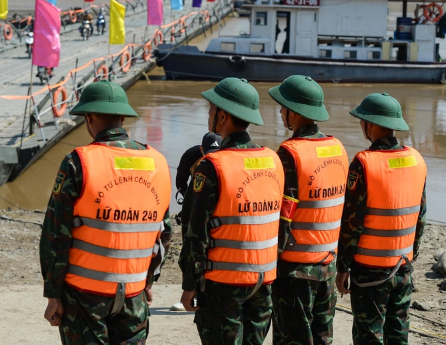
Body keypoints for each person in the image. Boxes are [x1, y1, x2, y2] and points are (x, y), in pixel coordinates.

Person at [40, 80, 173, 344]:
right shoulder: (157, 162)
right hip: (134, 295)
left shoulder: (79, 162)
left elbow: (56, 234)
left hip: (84, 296)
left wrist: (53, 294)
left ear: (89, 118)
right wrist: (147, 282)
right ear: (123, 117)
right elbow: (163, 234)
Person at [179, 78, 284, 344]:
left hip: (223, 284)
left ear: (222, 115)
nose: (208, 115)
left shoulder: (212, 165)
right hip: (263, 281)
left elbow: (195, 232)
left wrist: (190, 283)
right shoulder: (273, 160)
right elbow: (281, 222)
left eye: (210, 109)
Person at [336, 93, 427, 345]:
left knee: (368, 336)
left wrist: (342, 267)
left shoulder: (364, 163)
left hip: (369, 271)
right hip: (403, 266)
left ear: (370, 125)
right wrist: (411, 256)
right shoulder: (416, 160)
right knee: (398, 334)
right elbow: (421, 218)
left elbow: (352, 222)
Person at [267, 75, 348, 345]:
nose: (279, 113)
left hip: (295, 272)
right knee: (322, 339)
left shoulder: (290, 153)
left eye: (282, 108)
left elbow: (283, 216)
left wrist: (270, 265)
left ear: (294, 113)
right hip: (327, 265)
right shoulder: (338, 149)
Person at [171, 132, 222, 312]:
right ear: (202, 149)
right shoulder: (192, 156)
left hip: (213, 203)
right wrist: (188, 201)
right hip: (193, 200)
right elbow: (180, 180)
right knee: (190, 249)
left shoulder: (223, 160)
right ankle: (187, 290)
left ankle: (204, 291)